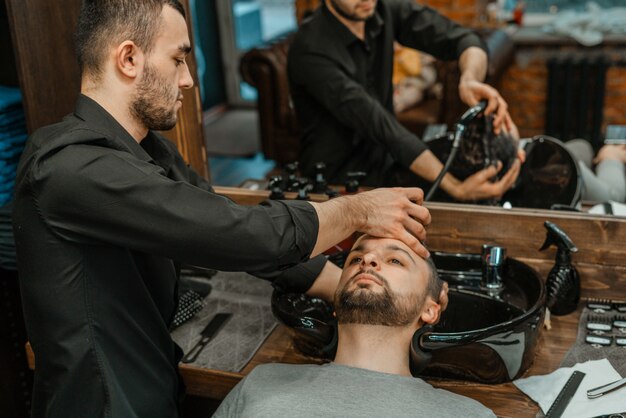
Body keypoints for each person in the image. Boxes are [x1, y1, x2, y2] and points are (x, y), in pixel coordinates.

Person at [12, 1, 434, 417]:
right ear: (128, 58)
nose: (188, 80)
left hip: (152, 381)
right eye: (178, 59)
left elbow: (225, 217)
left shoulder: (145, 151)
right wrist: (357, 210)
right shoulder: (69, 167)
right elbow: (234, 233)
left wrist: (350, 284)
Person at [213, 234, 495, 417]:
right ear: (336, 302)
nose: (368, 261)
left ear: (430, 309)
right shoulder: (262, 384)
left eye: (395, 260)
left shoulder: (468, 415)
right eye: (356, 258)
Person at [288, 0, 522, 202]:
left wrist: (469, 79)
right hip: (334, 183)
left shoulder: (381, 10)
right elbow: (378, 124)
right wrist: (455, 187)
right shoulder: (309, 48)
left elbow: (464, 39)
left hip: (387, 164)